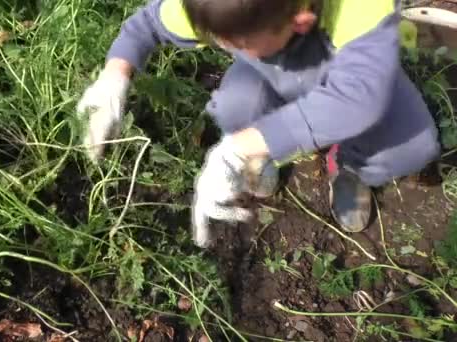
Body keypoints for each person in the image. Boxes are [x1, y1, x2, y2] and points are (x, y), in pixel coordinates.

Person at [76, 0, 441, 248]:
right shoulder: (213, 3)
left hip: (350, 74)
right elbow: (147, 23)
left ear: (300, 21)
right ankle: (261, 163)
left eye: (236, 42)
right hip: (271, 73)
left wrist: (237, 149)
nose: (220, 45)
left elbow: (357, 100)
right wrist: (115, 77)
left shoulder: (362, 10)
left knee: (414, 144)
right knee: (237, 107)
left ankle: (349, 167)